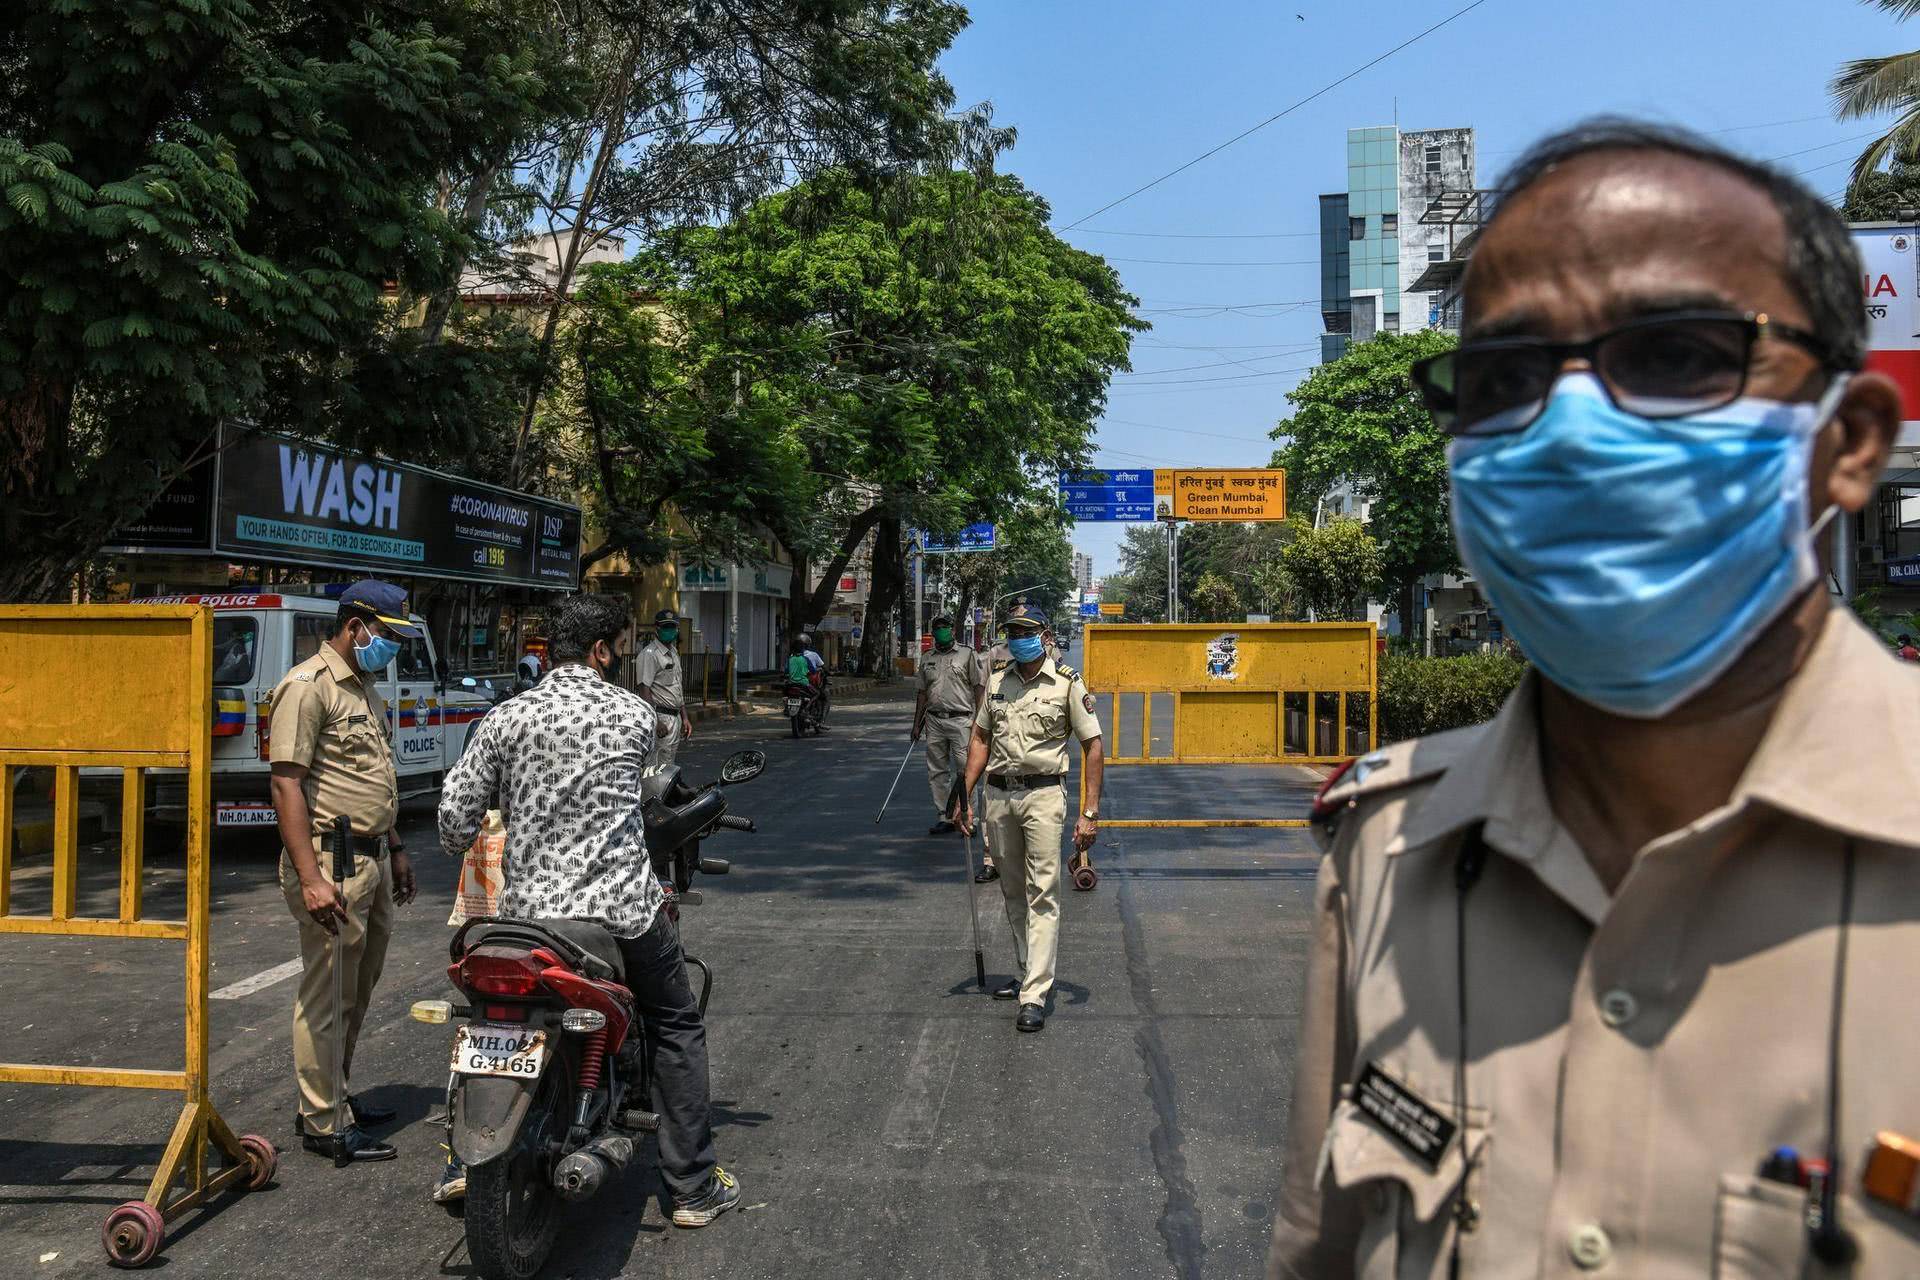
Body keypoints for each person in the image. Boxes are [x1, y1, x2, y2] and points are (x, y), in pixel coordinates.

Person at [1271, 120, 1917, 1277]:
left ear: (1851, 442)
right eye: (1504, 378)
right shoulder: (1387, 848)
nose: (1568, 429)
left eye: (1674, 355)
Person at [437, 593, 740, 1228]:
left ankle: (458, 1162)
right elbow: (654, 799)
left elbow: (454, 820)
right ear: (602, 652)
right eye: (622, 648)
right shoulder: (635, 716)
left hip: (526, 921)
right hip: (618, 914)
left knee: (479, 1016)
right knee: (676, 1025)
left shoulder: (506, 718)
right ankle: (690, 1189)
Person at [267, 579, 420, 1164]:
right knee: (327, 993)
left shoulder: (366, 688)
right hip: (332, 861)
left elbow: (373, 779)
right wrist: (310, 878)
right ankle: (324, 1120)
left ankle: (338, 1095)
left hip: (373, 855)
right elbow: (286, 783)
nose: (392, 647)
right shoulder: (307, 688)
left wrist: (398, 846)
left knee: (357, 990)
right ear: (355, 627)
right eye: (385, 635)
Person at [951, 604, 1104, 1033]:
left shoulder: (1067, 683)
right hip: (997, 797)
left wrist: (1089, 812)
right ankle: (1025, 971)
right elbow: (981, 738)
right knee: (1013, 891)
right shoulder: (997, 681)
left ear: (1044, 634)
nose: (1018, 636)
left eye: (1025, 630)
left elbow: (1093, 746)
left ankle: (1035, 992)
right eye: (1012, 630)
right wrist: (963, 794)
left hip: (1043, 797)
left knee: (1043, 893)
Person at [912, 613, 985, 837]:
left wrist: (980, 721)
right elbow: (922, 693)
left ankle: (966, 815)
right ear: (933, 632)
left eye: (945, 627)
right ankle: (944, 816)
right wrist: (916, 724)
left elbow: (978, 688)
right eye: (937, 627)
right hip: (933, 720)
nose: (941, 630)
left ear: (952, 630)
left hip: (962, 720)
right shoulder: (927, 657)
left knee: (966, 770)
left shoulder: (967, 655)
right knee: (937, 771)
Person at [635, 608, 693, 771]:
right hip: (660, 717)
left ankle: (663, 796)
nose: (670, 631)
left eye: (672, 627)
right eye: (665, 627)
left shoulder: (673, 652)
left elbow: (677, 687)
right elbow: (644, 689)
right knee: (655, 768)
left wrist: (685, 717)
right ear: (657, 628)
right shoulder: (649, 654)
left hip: (675, 718)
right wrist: (656, 720)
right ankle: (653, 796)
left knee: (668, 765)